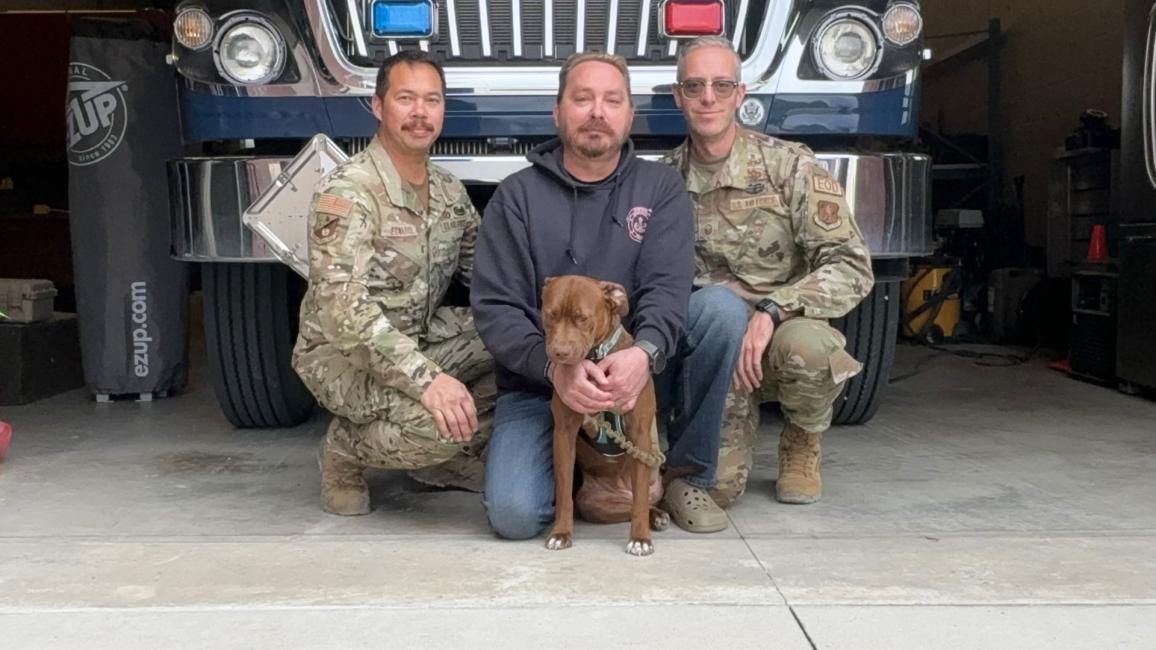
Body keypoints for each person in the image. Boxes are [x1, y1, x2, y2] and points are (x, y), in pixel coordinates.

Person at [471, 52, 748, 540]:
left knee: (720, 311)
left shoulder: (660, 188)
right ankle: (576, 477)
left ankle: (683, 476)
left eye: (611, 100)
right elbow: (496, 308)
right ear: (558, 112)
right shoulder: (516, 197)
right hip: (541, 385)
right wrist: (552, 367)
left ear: (629, 113)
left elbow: (669, 287)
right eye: (582, 99)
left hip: (631, 377)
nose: (597, 111)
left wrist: (644, 353)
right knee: (513, 516)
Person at [662, 36, 875, 506]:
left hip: (779, 336)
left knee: (811, 349)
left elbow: (850, 264)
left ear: (741, 94)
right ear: (678, 96)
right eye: (694, 86)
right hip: (715, 347)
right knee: (713, 491)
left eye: (722, 85)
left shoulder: (788, 166)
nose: (708, 98)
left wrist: (774, 310)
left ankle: (802, 436)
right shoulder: (663, 181)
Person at [292, 51, 494, 516]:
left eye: (432, 100)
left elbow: (486, 276)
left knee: (526, 347)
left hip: (417, 340)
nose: (420, 113)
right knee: (441, 427)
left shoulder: (448, 192)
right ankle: (345, 449)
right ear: (379, 106)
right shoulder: (349, 191)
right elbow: (344, 312)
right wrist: (429, 382)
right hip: (342, 358)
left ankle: (435, 464)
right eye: (406, 98)